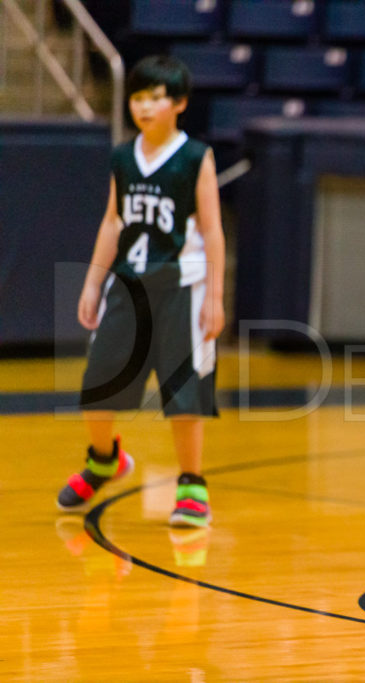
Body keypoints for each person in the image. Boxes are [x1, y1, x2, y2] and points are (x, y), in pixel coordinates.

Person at [56, 55, 225, 528]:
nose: (144, 106)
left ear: (180, 104)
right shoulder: (123, 157)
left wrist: (215, 296)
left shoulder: (196, 158)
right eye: (137, 97)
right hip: (127, 287)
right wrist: (92, 282)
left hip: (182, 287)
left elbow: (212, 232)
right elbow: (113, 220)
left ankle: (192, 485)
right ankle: (104, 459)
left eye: (155, 97)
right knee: (100, 382)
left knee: (183, 391)